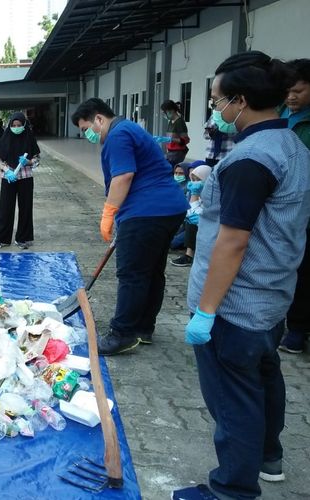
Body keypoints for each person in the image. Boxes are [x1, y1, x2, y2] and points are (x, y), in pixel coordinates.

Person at [177, 51, 310, 500]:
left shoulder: (252, 158)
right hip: (271, 297)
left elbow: (233, 242)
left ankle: (231, 488)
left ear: (240, 100)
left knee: (233, 398)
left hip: (235, 304)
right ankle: (267, 457)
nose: (215, 110)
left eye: (216, 101)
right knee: (265, 377)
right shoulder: (290, 144)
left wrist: (206, 312)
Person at [71, 98, 187, 355]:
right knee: (152, 270)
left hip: (147, 210)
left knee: (132, 273)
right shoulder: (130, 128)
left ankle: (122, 334)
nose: (88, 134)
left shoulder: (118, 134)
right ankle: (144, 327)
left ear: (99, 119)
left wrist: (109, 212)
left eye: (87, 128)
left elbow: (123, 175)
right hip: (169, 208)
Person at [279, 58, 310, 354]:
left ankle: (298, 330)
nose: (291, 97)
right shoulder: (280, 115)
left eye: (298, 91)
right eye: (288, 91)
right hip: (283, 208)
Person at [0, 112, 39, 251]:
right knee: (5, 208)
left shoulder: (29, 139)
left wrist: (28, 161)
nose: (16, 128)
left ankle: (23, 238)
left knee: (25, 208)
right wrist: (7, 170)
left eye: (19, 125)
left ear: (24, 125)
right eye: (13, 125)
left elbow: (37, 160)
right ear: (10, 125)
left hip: (26, 178)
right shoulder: (6, 138)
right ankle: (1, 239)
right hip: (8, 178)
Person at [170, 164, 212, 267]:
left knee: (174, 242)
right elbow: (190, 212)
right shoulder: (192, 189)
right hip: (185, 223)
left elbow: (195, 213)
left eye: (198, 179)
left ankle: (189, 255)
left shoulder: (212, 194)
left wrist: (194, 195)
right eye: (193, 179)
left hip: (206, 227)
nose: (194, 182)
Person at [160, 100, 190, 167]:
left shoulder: (179, 122)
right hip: (171, 152)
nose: (164, 115)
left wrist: (170, 139)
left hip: (177, 153)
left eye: (164, 112)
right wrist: (164, 139)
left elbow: (185, 140)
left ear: (171, 111)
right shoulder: (171, 121)